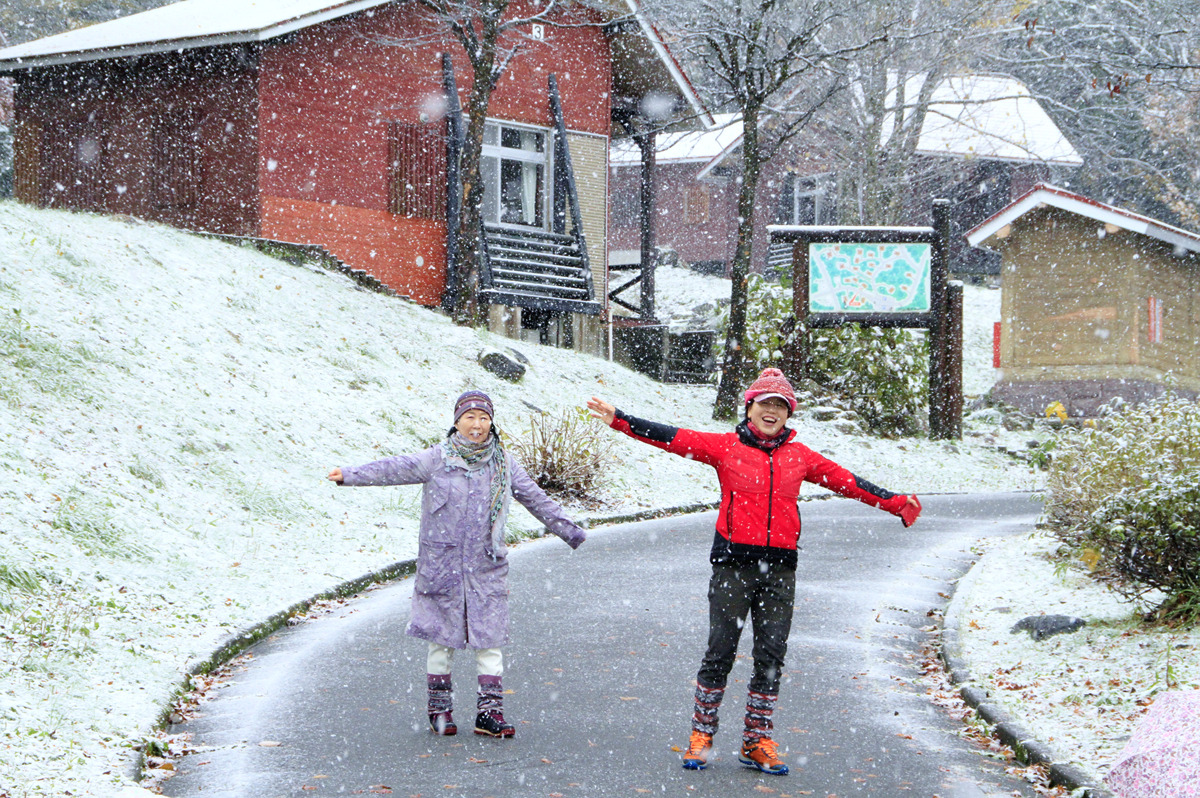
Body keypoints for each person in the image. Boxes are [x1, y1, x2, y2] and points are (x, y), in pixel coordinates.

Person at [587, 368, 921, 776]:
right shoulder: (725, 447)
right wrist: (620, 420)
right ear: (750, 408)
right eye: (765, 403)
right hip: (733, 566)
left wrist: (896, 502)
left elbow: (848, 482)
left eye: (780, 405)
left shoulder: (800, 457)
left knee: (771, 656)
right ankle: (701, 735)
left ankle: (756, 740)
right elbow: (672, 437)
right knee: (720, 652)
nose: (771, 411)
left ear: (788, 414)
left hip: (780, 570)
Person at [329, 390, 586, 739]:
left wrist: (571, 531)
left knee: (489, 640)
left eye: (484, 418)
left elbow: (537, 500)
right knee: (441, 639)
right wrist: (350, 475)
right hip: (442, 565)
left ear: (491, 422)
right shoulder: (437, 459)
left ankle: (489, 714)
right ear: (457, 421)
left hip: (486, 565)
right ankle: (439, 710)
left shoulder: (504, 464)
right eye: (470, 417)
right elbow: (395, 468)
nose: (477, 425)